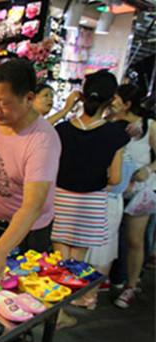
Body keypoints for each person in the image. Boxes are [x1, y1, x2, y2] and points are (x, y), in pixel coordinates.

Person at [0, 59, 62, 342]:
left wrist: (1, 250)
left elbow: (33, 205)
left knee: (10, 294)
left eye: (4, 103)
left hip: (26, 232)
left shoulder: (43, 140)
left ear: (28, 98)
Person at [51, 70, 128, 308]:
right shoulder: (115, 134)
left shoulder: (62, 130)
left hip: (61, 198)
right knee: (78, 260)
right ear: (110, 99)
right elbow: (115, 178)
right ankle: (75, 300)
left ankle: (56, 305)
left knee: (59, 258)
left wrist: (65, 110)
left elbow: (38, 129)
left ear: (81, 97)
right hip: (92, 202)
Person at [103, 85, 156, 308]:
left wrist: (149, 170)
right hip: (113, 191)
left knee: (134, 239)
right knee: (107, 237)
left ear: (127, 104)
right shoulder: (109, 123)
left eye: (115, 98)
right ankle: (104, 279)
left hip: (140, 192)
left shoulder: (150, 126)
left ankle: (130, 286)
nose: (111, 102)